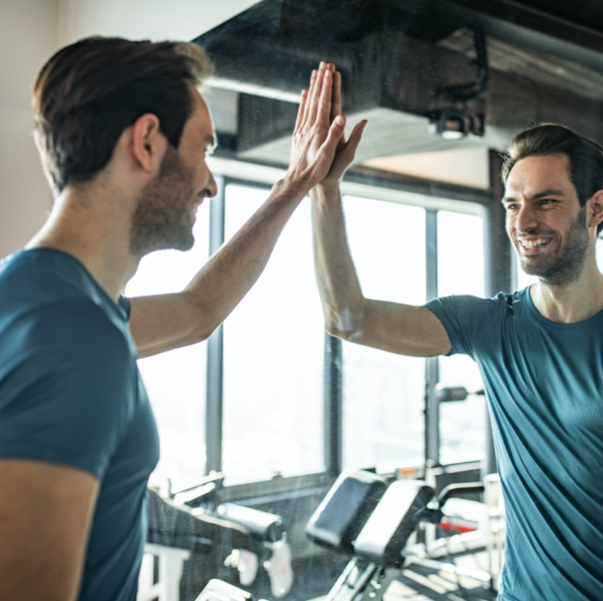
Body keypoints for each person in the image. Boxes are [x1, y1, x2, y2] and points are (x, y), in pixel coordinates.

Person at [0, 38, 346, 601]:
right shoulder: (70, 337)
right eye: (203, 150)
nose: (209, 182)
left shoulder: (46, 298)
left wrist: (295, 186)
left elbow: (196, 312)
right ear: (146, 141)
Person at [312, 68, 603, 601]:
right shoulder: (489, 326)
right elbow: (348, 318)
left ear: (596, 208)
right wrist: (325, 191)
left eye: (547, 200)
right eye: (513, 204)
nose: (524, 221)